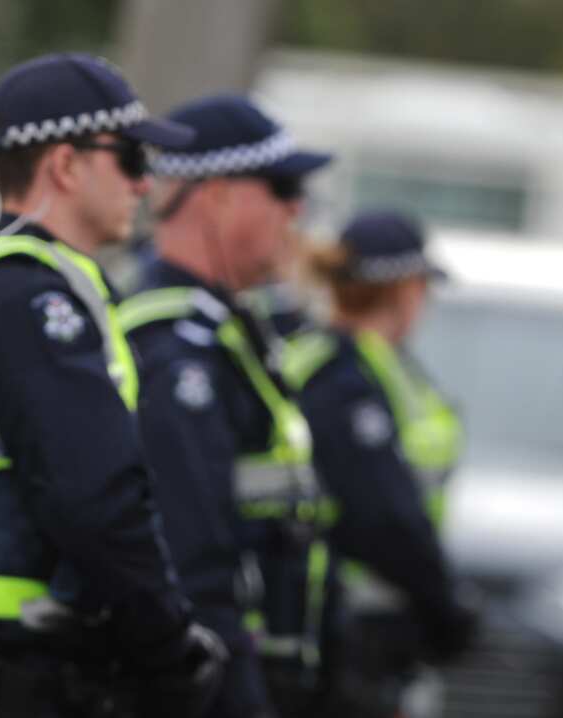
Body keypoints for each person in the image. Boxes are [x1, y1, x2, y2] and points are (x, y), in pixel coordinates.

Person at [0, 53, 227, 718]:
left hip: (7, 673)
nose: (145, 183)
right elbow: (97, 500)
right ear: (66, 165)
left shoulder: (29, 287)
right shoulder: (27, 300)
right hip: (15, 680)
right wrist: (168, 644)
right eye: (131, 158)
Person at [117, 94, 333, 717]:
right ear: (215, 194)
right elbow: (192, 561)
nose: (297, 208)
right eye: (281, 186)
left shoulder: (232, 327)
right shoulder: (170, 346)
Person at [280, 210, 477, 715]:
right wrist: (445, 606)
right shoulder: (345, 380)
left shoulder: (347, 363)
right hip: (349, 628)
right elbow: (383, 516)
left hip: (349, 624)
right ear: (407, 290)